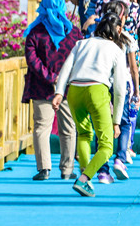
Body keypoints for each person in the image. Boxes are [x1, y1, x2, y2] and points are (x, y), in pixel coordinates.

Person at [53, 13, 128, 198]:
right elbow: (120, 89)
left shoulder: (82, 43)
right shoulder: (116, 49)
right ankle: (84, 179)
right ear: (118, 30)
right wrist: (116, 121)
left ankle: (86, 178)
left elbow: (66, 68)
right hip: (97, 90)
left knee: (84, 135)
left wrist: (59, 92)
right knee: (107, 146)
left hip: (75, 91)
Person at [21, 0, 82, 181]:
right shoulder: (74, 33)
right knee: (69, 128)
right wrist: (62, 79)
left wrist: (51, 77)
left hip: (41, 88)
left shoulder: (34, 32)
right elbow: (79, 60)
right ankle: (67, 169)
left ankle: (44, 169)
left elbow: (32, 61)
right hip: (67, 89)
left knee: (41, 128)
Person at [91, 0, 139, 184]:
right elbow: (134, 68)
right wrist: (136, 90)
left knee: (101, 124)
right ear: (122, 20)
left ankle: (103, 170)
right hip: (122, 84)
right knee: (125, 122)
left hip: (102, 83)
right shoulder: (127, 39)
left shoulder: (96, 39)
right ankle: (120, 158)